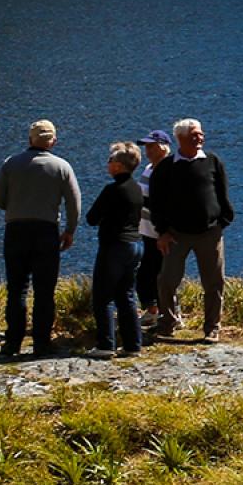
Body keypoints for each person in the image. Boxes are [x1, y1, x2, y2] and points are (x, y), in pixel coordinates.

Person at [0, 119, 82, 358]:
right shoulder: (62, 166)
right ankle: (41, 343)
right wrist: (70, 230)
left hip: (16, 230)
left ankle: (12, 343)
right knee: (44, 290)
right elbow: (74, 204)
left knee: (17, 289)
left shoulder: (11, 163)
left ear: (30, 139)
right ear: (53, 141)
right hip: (46, 232)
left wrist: (14, 206)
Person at [149, 118, 234, 341]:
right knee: (167, 280)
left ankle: (212, 328)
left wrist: (223, 222)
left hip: (210, 233)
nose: (200, 138)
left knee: (214, 282)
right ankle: (167, 323)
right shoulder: (166, 168)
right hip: (176, 235)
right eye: (194, 135)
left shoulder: (213, 161)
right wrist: (163, 232)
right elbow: (155, 203)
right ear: (180, 138)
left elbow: (222, 194)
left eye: (201, 134)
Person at [86, 143, 147, 357]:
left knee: (103, 297)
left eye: (110, 161)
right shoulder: (137, 188)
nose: (108, 164)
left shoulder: (112, 190)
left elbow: (92, 218)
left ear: (119, 166)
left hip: (115, 246)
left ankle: (105, 344)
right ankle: (133, 344)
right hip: (135, 245)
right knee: (127, 295)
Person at [133, 130, 172, 322]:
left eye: (151, 146)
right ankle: (153, 309)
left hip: (162, 232)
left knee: (162, 273)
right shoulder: (149, 168)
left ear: (163, 147)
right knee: (146, 272)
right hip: (147, 229)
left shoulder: (170, 169)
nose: (147, 150)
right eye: (146, 146)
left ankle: (169, 312)